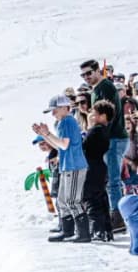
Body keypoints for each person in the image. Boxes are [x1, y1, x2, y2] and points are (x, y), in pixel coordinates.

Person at [33, 95, 89, 242]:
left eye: (55, 110)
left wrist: (46, 133)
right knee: (63, 200)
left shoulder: (67, 122)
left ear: (65, 108)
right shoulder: (63, 122)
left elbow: (64, 144)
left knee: (71, 200)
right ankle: (67, 230)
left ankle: (83, 234)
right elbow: (59, 145)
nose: (53, 114)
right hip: (67, 165)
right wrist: (43, 135)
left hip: (74, 165)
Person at [81, 60, 128, 231]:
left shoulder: (106, 87)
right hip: (109, 139)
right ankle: (112, 214)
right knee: (107, 180)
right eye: (83, 75)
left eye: (89, 73)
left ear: (97, 71)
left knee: (113, 180)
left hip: (114, 138)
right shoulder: (96, 90)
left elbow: (110, 114)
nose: (86, 77)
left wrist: (101, 136)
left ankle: (118, 216)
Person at [82, 100, 115, 242]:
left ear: (103, 116)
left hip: (92, 168)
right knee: (101, 198)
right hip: (100, 168)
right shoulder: (105, 130)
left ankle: (97, 230)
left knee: (91, 199)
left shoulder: (96, 131)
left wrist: (89, 127)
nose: (91, 116)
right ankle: (107, 230)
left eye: (94, 114)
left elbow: (85, 147)